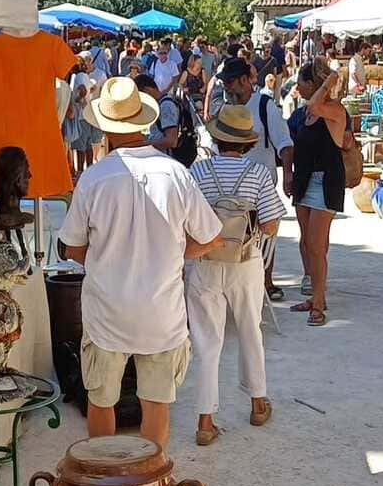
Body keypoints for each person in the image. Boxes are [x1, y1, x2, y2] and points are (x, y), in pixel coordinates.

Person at [58, 77, 222, 448]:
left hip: (107, 311)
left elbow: (72, 247)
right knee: (156, 404)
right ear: (141, 121)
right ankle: (151, 484)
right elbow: (211, 237)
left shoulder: (94, 178)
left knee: (101, 402)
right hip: (161, 312)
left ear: (105, 126)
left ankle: (104, 478)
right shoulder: (176, 174)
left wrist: (106, 259)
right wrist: (170, 253)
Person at [184, 106, 287, 446]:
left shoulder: (196, 172)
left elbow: (183, 220)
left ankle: (205, 420)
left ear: (215, 137)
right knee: (249, 330)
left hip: (204, 262)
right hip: (245, 263)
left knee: (205, 341)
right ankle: (258, 403)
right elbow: (272, 224)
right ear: (246, 142)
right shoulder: (258, 174)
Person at [219, 55, 294, 301]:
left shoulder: (265, 106)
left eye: (229, 82)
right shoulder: (226, 109)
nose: (226, 87)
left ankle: (266, 281)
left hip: (260, 185)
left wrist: (288, 176)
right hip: (229, 185)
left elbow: (284, 143)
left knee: (266, 235)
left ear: (243, 80)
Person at [289, 57, 348, 326]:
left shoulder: (335, 111)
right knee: (307, 243)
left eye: (301, 81)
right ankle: (314, 296)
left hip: (325, 182)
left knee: (316, 246)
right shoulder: (302, 114)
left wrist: (328, 82)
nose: (297, 87)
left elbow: (315, 104)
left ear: (313, 83)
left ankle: (320, 301)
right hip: (304, 181)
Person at [62, 52, 102, 179]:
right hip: (87, 114)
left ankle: (80, 172)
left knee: (81, 146)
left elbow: (82, 91)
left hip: (80, 116)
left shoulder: (77, 76)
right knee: (87, 144)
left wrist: (77, 99)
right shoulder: (84, 75)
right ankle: (89, 168)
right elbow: (92, 87)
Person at [136, 73, 185, 158]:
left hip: (167, 158)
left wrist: (145, 145)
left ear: (147, 91)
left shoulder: (166, 105)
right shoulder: (160, 104)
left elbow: (171, 140)